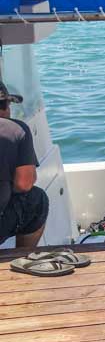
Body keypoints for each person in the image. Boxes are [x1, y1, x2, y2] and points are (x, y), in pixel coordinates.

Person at [0, 83, 48, 251]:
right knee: (37, 199)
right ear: (5, 105)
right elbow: (24, 183)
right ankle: (20, 258)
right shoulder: (15, 130)